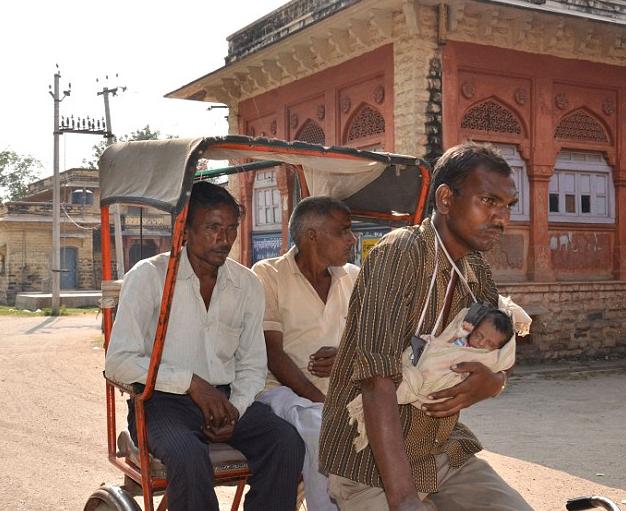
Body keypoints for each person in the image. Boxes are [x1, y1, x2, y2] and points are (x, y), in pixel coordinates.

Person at [319, 142, 534, 511]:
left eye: (507, 206)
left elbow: (498, 349)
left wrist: (494, 382)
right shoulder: (399, 253)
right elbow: (377, 380)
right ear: (446, 198)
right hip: (370, 461)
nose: (501, 218)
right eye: (488, 201)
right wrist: (403, 499)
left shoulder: (476, 269)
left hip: (440, 452)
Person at [105, 181, 305, 511]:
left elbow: (253, 364)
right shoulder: (149, 276)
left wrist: (236, 409)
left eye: (230, 229)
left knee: (286, 442)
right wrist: (191, 383)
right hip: (160, 403)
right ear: (185, 229)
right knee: (187, 455)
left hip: (227, 400)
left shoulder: (246, 284)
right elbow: (119, 362)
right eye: (213, 228)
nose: (224, 239)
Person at [252, 196, 359, 511]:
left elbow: (369, 343)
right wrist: (321, 401)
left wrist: (344, 357)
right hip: (279, 392)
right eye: (344, 231)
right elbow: (273, 353)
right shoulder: (268, 274)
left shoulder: (352, 277)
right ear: (313, 236)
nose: (352, 239)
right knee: (322, 429)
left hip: (339, 395)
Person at [346, 298, 531, 452]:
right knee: (404, 382)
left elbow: (501, 365)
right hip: (427, 368)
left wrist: (497, 381)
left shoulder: (485, 356)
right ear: (473, 330)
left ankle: (382, 401)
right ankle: (371, 405)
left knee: (410, 387)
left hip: (439, 396)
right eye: (479, 336)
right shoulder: (463, 338)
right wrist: (439, 344)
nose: (481, 344)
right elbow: (445, 345)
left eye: (490, 344)